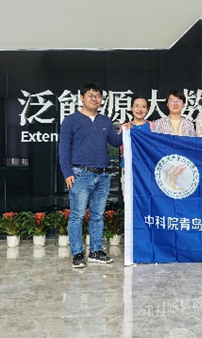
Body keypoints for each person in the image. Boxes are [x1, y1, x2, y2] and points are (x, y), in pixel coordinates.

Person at [59, 82, 123, 268]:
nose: (95, 99)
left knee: (97, 215)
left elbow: (116, 141)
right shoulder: (71, 120)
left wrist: (130, 128)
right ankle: (77, 254)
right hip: (80, 174)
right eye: (91, 96)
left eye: (98, 96)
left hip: (103, 175)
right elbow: (63, 149)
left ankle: (95, 251)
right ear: (82, 98)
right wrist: (67, 172)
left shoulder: (105, 121)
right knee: (77, 216)